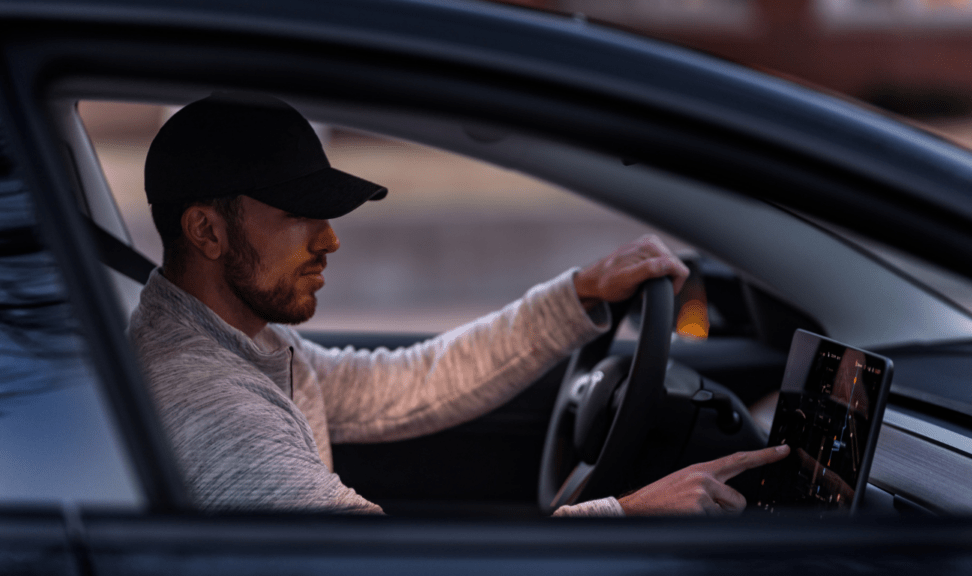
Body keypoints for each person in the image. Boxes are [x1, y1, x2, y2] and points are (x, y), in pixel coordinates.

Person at [130, 92, 788, 517]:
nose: (330, 239)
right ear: (207, 232)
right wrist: (627, 517)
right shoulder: (207, 401)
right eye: (302, 215)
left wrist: (578, 293)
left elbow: (411, 383)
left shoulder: (247, 342)